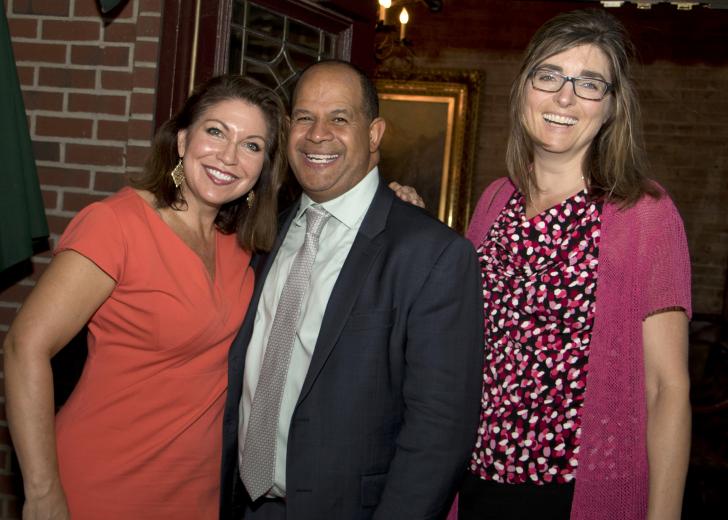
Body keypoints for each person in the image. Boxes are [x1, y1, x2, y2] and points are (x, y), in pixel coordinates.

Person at [3, 74, 287, 519]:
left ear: (262, 168)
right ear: (182, 141)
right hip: (103, 482)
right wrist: (42, 492)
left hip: (196, 491)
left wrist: (392, 198)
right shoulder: (117, 224)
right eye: (216, 131)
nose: (229, 156)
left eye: (251, 145)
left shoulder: (243, 244)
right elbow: (24, 347)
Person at [448, 9, 691, 520]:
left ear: (611, 106)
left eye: (589, 83)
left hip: (575, 493)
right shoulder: (494, 200)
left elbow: (667, 388)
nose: (565, 97)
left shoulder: (643, 212)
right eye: (550, 75)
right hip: (474, 480)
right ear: (524, 89)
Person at [219, 60, 485, 520]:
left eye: (339, 118)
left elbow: (440, 432)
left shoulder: (431, 254)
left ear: (374, 134)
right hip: (244, 506)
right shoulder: (264, 234)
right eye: (304, 117)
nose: (318, 134)